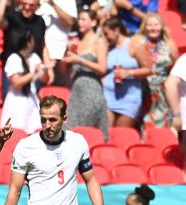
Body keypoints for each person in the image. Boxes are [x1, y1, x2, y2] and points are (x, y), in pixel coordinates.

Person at [62, 9, 108, 139]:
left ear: (93, 22)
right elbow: (63, 69)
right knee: (69, 131)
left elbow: (102, 68)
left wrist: (80, 60)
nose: (79, 23)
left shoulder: (98, 41)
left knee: (84, 134)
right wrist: (67, 53)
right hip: (76, 92)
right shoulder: (77, 42)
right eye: (79, 19)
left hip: (91, 91)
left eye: (83, 19)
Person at [102, 17, 152, 128]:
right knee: (106, 135)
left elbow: (148, 69)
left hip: (129, 98)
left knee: (120, 135)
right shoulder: (108, 48)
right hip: (109, 97)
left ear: (116, 31)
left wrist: (129, 73)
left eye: (106, 34)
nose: (105, 38)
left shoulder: (134, 45)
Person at [0, 0, 51, 94]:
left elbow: (43, 45)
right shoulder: (12, 17)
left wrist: (48, 67)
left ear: (37, 6)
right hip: (14, 71)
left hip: (34, 69)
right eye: (24, 4)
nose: (27, 7)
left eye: (31, 5)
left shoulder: (40, 22)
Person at [134, 13, 178, 129]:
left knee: (166, 124)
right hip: (147, 91)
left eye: (156, 25)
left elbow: (176, 68)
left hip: (165, 92)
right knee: (148, 123)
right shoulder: (139, 45)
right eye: (149, 25)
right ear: (145, 27)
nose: (153, 28)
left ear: (162, 27)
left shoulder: (170, 45)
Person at [0, 30, 47, 133]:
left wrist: (45, 69)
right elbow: (16, 83)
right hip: (17, 103)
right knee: (16, 132)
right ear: (27, 42)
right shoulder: (13, 59)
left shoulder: (34, 57)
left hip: (32, 101)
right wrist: (33, 73)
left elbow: (44, 78)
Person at [36, 0, 77, 86]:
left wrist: (53, 4)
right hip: (40, 56)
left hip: (60, 56)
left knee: (60, 95)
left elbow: (70, 21)